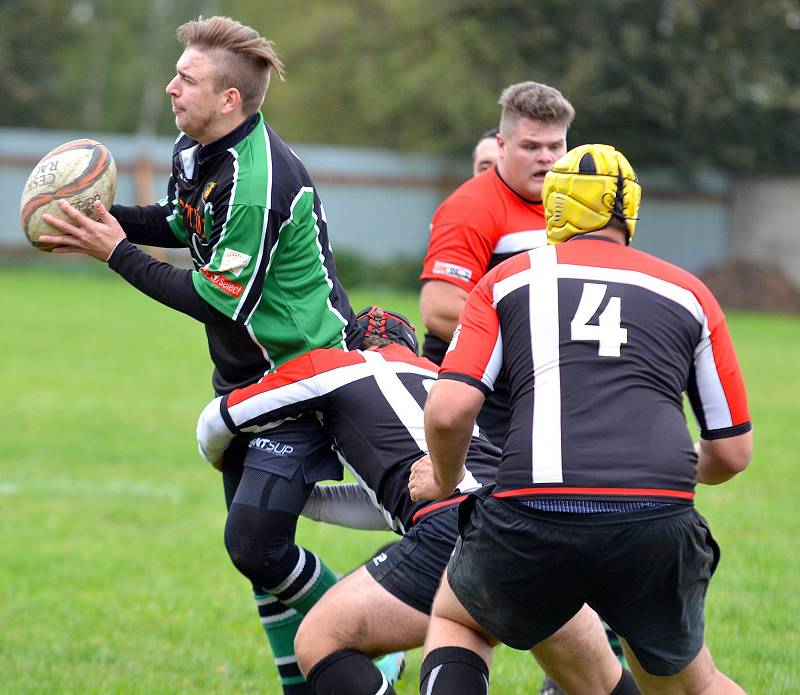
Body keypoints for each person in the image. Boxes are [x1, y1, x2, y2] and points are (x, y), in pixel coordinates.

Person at [36, 16, 403, 695]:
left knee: (254, 543)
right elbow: (183, 220)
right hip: (247, 380)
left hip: (306, 378)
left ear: (229, 100)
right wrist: (107, 218)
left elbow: (213, 299)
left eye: (187, 79)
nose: (170, 85)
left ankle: (372, 640)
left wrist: (111, 252)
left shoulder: (258, 183)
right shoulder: (196, 146)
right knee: (259, 556)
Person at [410, 144, 753, 694]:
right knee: (691, 683)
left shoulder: (507, 280)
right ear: (630, 211)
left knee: (458, 618)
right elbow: (732, 452)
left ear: (554, 208)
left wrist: (444, 480)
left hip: (533, 513)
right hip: (655, 521)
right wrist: (659, 472)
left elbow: (449, 412)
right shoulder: (691, 293)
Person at [196, 306, 636, 695]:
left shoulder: (334, 366)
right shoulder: (442, 376)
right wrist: (313, 504)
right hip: (530, 518)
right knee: (599, 683)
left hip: (454, 528)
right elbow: (407, 493)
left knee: (319, 639)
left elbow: (218, 420)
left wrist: (224, 462)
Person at [419, 80, 575, 446]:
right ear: (502, 146)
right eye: (531, 147)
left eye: (556, 146)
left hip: (539, 384)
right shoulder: (472, 206)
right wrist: (535, 343)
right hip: (479, 395)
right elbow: (440, 309)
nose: (546, 158)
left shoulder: (575, 206)